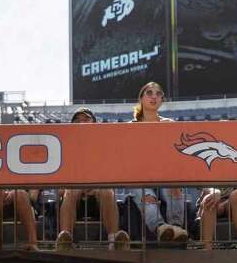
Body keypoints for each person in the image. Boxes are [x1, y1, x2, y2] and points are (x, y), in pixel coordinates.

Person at [56, 107, 128, 250]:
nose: (82, 122)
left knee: (107, 191)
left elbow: (110, 177)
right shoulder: (65, 148)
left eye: (86, 119)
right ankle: (65, 239)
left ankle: (114, 240)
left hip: (98, 193)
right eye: (78, 120)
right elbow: (60, 187)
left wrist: (92, 186)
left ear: (94, 123)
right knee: (70, 192)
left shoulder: (104, 148)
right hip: (73, 195)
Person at [129, 84, 190, 243]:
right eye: (149, 93)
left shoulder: (169, 124)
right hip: (139, 177)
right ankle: (161, 228)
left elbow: (177, 155)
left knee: (175, 188)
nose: (154, 96)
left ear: (162, 99)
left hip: (164, 174)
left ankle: (176, 228)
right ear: (141, 98)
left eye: (158, 94)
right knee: (146, 195)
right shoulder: (130, 128)